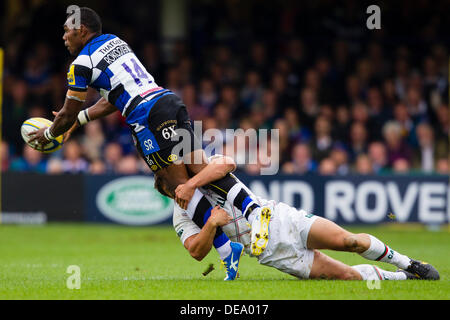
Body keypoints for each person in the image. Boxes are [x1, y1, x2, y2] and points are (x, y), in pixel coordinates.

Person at [28, 7, 260, 220]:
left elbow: (68, 112)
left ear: (81, 30)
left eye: (67, 31)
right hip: (167, 100)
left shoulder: (81, 64)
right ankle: (255, 211)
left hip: (147, 116)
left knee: (177, 185)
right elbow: (113, 99)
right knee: (201, 170)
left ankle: (226, 248)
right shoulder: (115, 41)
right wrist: (78, 120)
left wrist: (49, 134)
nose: (64, 37)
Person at [157, 155, 440, 281]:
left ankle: (410, 263)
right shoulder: (181, 217)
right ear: (168, 193)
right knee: (346, 276)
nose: (178, 191)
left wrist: (193, 184)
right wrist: (210, 224)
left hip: (280, 219)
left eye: (177, 183)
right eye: (172, 190)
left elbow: (228, 163)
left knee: (348, 240)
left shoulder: (201, 173)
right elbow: (196, 251)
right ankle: (402, 278)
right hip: (272, 253)